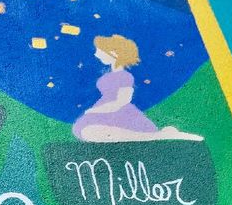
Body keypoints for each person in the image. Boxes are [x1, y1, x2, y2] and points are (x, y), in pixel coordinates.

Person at [72, 34, 203, 143]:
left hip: (118, 111)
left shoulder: (125, 76)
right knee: (84, 129)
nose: (96, 54)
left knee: (91, 130)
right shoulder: (109, 74)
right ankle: (159, 135)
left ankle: (158, 136)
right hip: (106, 109)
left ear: (113, 53)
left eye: (99, 51)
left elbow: (123, 101)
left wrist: (96, 110)